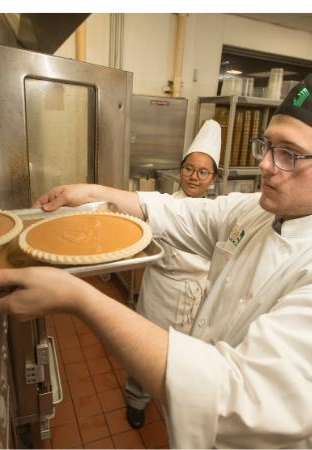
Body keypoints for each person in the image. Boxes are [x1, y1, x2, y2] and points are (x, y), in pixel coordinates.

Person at [0, 72, 312, 448]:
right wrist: (95, 192)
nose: (266, 165)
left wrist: (80, 298)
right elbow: (180, 213)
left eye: (289, 154)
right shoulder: (261, 210)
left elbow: (241, 399)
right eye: (267, 146)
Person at [124, 119, 220, 429]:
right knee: (146, 350)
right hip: (161, 291)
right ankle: (136, 399)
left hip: (198, 296)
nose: (194, 176)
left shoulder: (219, 215)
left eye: (203, 172)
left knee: (188, 358)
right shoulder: (162, 206)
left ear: (213, 179)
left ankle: (179, 404)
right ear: (180, 172)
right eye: (189, 169)